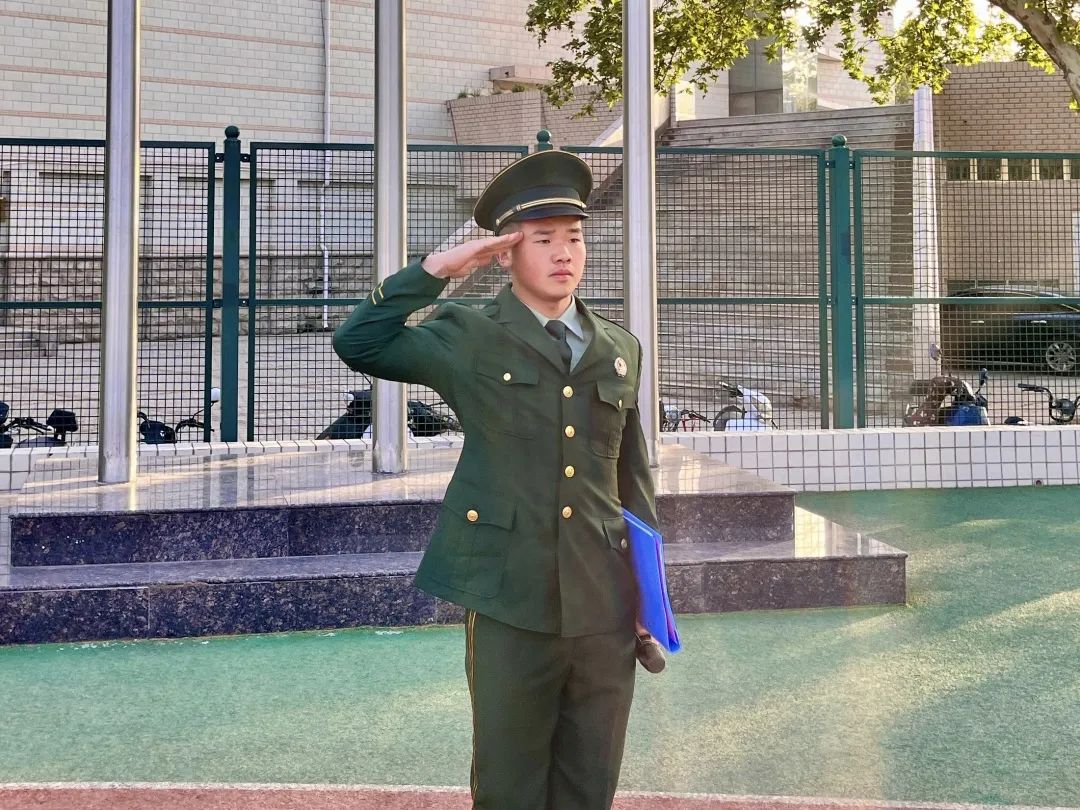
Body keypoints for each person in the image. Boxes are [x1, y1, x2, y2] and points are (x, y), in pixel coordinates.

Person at [333, 148, 662, 810]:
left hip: (603, 601)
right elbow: (359, 342)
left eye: (574, 237)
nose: (564, 252)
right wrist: (437, 270)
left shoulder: (618, 348)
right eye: (542, 239)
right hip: (511, 597)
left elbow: (632, 480)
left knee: (591, 784)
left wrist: (648, 598)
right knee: (509, 785)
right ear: (507, 253)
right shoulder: (468, 334)